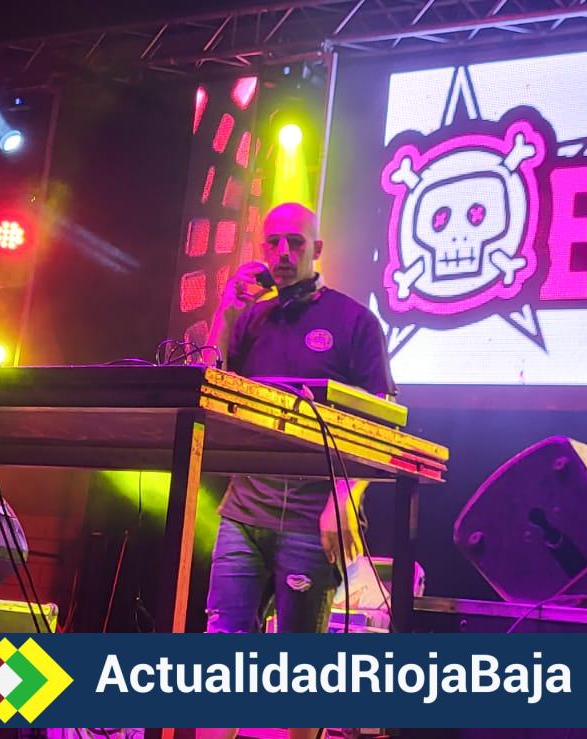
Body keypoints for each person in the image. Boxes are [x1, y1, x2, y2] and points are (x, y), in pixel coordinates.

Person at [198, 202, 395, 739]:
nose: (283, 253)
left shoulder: (355, 322)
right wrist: (225, 314)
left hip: (312, 515)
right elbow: (209, 390)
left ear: (317, 249)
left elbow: (381, 430)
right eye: (273, 243)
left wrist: (345, 497)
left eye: (295, 243)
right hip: (244, 509)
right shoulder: (251, 320)